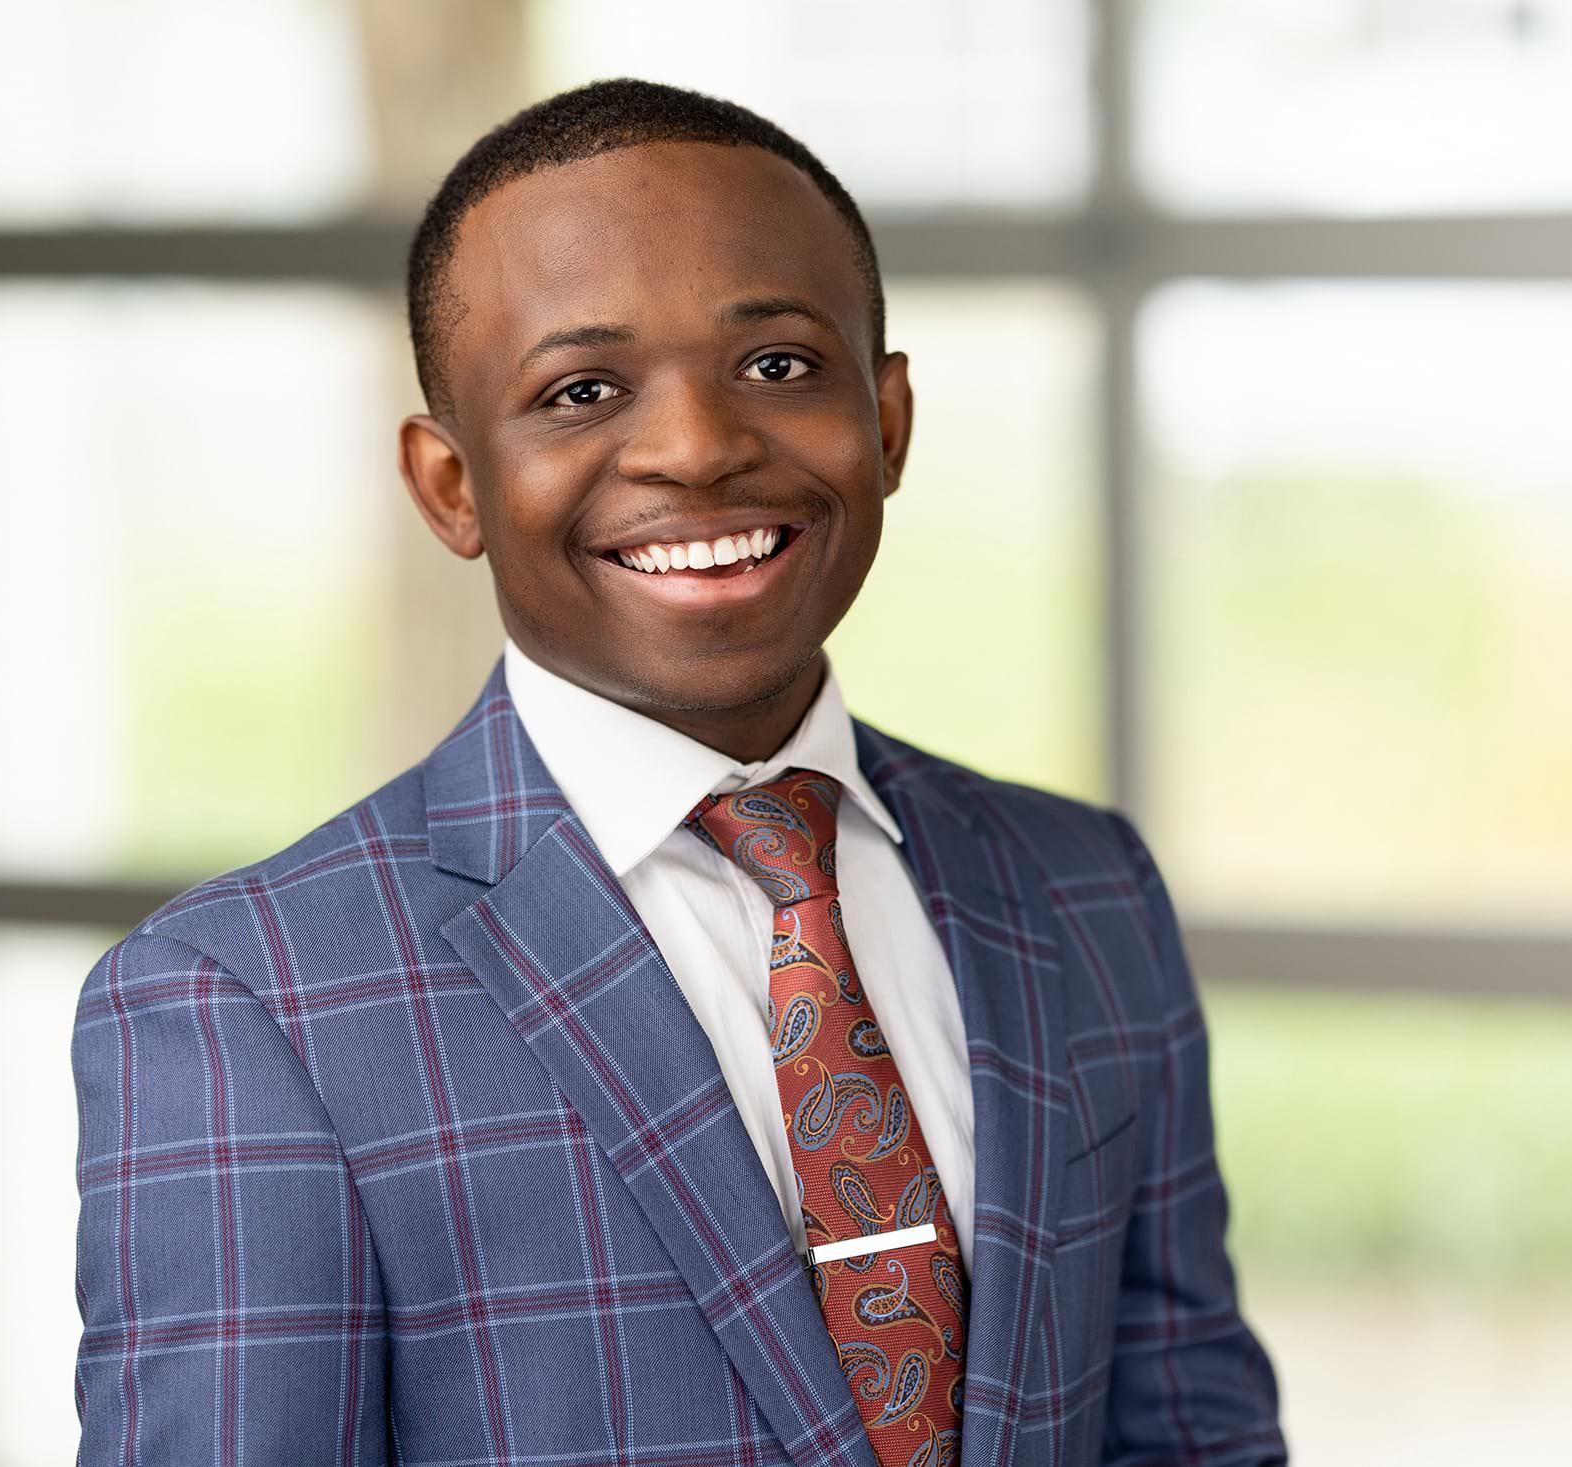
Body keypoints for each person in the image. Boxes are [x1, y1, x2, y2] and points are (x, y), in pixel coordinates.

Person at [72, 78, 1284, 1467]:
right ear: (451, 486)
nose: (700, 449)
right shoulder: (248, 1006)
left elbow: (1189, 1432)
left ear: (888, 420)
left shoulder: (1084, 891)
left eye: (777, 366)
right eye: (581, 391)